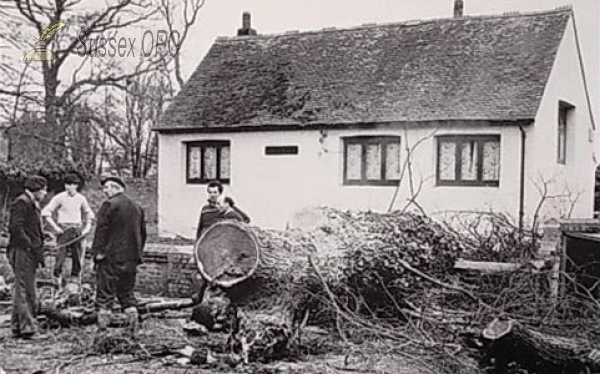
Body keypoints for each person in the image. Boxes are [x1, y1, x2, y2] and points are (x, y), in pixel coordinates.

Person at [91, 177, 146, 333]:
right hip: (131, 259)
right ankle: (132, 329)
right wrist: (137, 254)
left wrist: (97, 254)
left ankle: (102, 332)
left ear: (115, 188)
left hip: (110, 258)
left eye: (107, 188)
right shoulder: (137, 207)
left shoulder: (109, 205)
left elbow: (101, 231)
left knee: (105, 296)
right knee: (127, 294)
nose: (105, 191)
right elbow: (143, 234)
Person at [7, 175, 48, 339]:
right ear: (37, 190)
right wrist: (29, 245)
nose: (45, 193)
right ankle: (28, 329)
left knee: (23, 288)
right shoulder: (22, 202)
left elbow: (29, 227)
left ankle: (17, 327)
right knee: (26, 290)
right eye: (44, 190)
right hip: (23, 251)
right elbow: (15, 227)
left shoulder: (30, 203)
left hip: (28, 250)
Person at [41, 173, 94, 285]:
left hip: (77, 230)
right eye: (66, 184)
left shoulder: (81, 198)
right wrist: (55, 227)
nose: (68, 187)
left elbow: (89, 213)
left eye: (71, 184)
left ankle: (75, 282)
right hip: (63, 230)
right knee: (60, 256)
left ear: (76, 186)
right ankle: (57, 280)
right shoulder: (59, 197)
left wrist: (87, 228)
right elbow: (45, 212)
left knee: (77, 257)